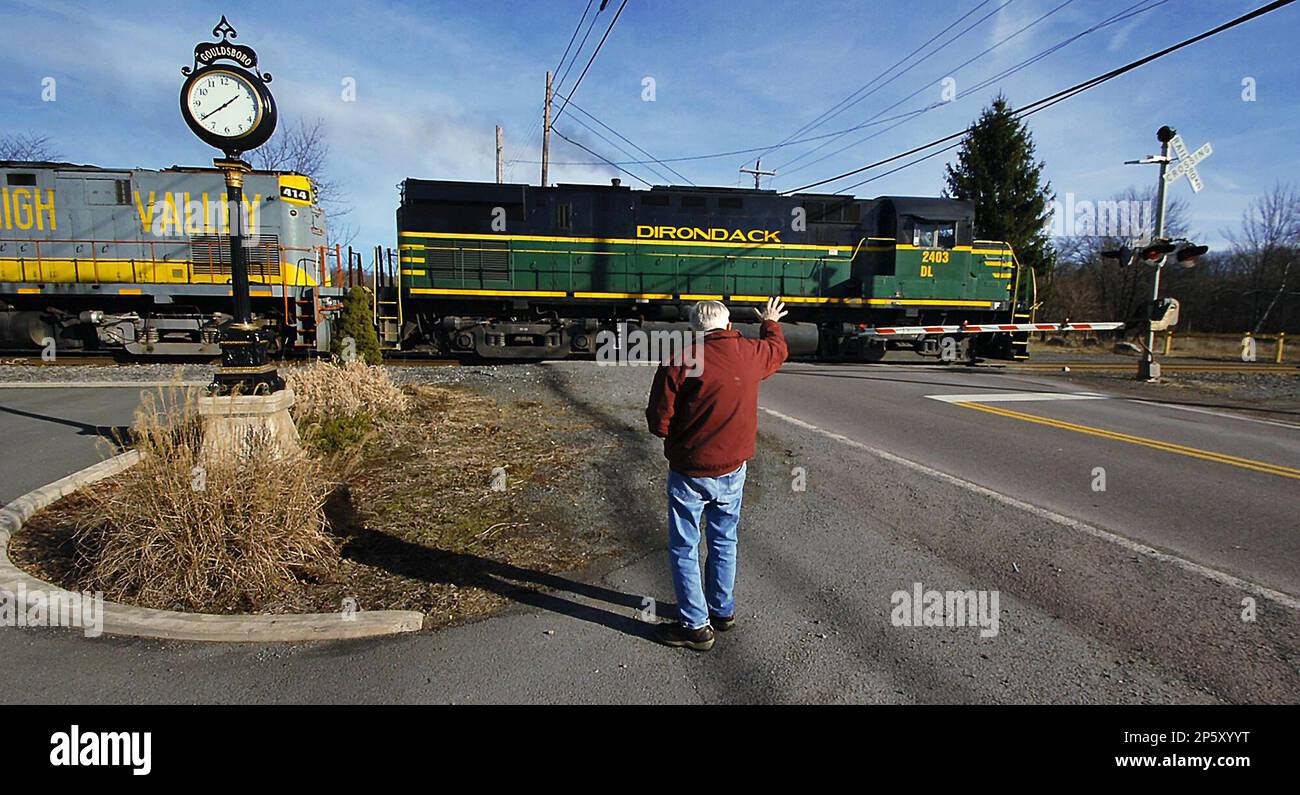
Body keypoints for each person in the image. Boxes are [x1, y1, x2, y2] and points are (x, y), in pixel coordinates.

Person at [645, 297, 789, 650]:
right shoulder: (751, 353)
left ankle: (695, 626)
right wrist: (769, 321)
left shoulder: (681, 360)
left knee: (684, 546)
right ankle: (722, 610)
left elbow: (658, 422)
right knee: (724, 540)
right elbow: (778, 349)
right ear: (727, 326)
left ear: (695, 328)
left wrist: (678, 434)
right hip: (733, 469)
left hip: (690, 471)